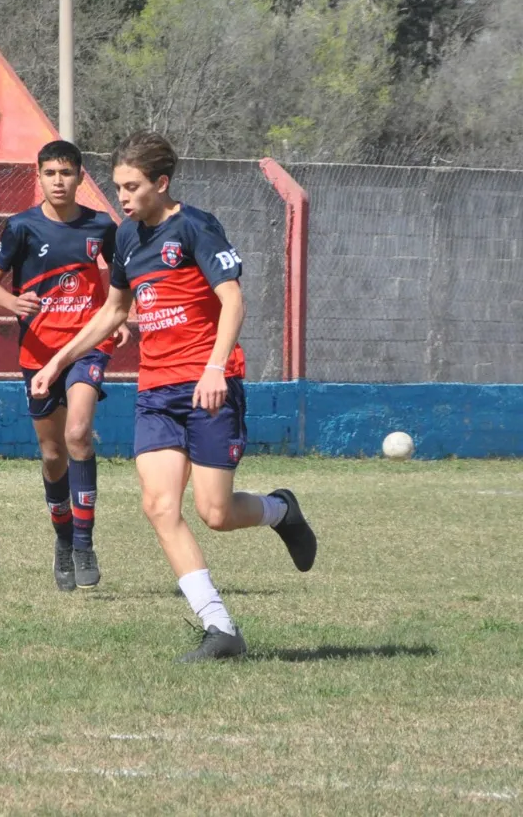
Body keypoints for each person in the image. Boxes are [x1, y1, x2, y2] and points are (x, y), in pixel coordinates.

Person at [30, 131, 318, 662]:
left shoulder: (195, 227)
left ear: (161, 183)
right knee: (159, 506)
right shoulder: (125, 238)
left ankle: (281, 510)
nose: (122, 197)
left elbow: (232, 301)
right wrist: (58, 361)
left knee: (216, 512)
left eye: (132, 187)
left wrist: (214, 368)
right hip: (156, 391)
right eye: (118, 187)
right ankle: (220, 628)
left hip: (209, 386)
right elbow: (114, 311)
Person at [0, 140, 128, 592]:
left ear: (81, 176)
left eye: (66, 172)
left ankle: (84, 543)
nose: (58, 181)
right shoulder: (22, 227)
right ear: (39, 176)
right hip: (38, 352)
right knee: (52, 454)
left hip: (88, 346)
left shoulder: (101, 226)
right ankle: (63, 540)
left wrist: (120, 319)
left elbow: (121, 281)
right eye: (50, 173)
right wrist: (12, 302)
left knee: (78, 434)